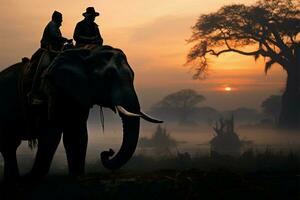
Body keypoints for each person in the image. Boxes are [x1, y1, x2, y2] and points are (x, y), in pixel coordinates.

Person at [28, 11, 71, 105]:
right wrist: (66, 40)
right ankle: (33, 94)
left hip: (55, 50)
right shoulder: (52, 25)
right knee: (42, 67)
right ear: (56, 18)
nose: (62, 21)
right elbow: (55, 37)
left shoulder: (55, 27)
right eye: (61, 18)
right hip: (47, 50)